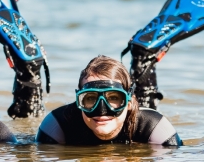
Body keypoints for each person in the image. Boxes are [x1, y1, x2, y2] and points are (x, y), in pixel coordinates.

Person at [36, 55, 182, 146]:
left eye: (113, 98)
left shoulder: (152, 126)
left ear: (128, 102)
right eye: (91, 98)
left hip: (135, 116)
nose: (101, 110)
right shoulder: (58, 125)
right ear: (79, 101)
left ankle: (144, 55)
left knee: (147, 95)